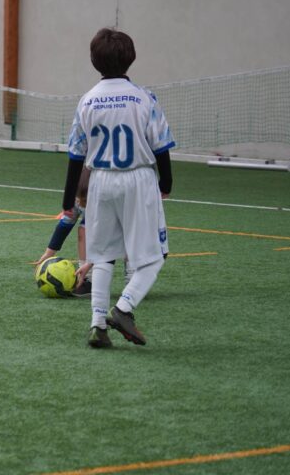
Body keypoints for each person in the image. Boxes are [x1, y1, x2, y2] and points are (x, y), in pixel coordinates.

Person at [64, 28, 174, 348]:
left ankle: (97, 326)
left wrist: (68, 198)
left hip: (100, 181)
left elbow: (76, 154)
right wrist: (166, 182)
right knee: (154, 257)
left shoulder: (87, 100)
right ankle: (124, 308)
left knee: (102, 255)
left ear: (93, 60)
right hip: (137, 179)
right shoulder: (144, 98)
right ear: (131, 58)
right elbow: (161, 145)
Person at [36, 167, 92, 297]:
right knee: (83, 230)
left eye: (83, 200)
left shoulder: (103, 205)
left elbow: (106, 244)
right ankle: (87, 280)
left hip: (123, 224)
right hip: (97, 222)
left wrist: (90, 264)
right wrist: (48, 253)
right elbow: (64, 226)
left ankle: (131, 277)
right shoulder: (75, 200)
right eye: (77, 198)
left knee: (127, 243)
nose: (79, 203)